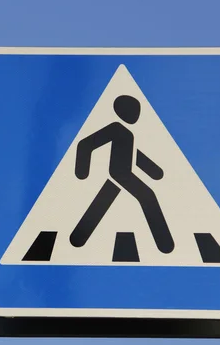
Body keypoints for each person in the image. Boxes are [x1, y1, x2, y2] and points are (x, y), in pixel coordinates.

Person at [70, 95, 174, 254]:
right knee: (148, 196)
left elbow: (134, 156)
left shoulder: (127, 133)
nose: (136, 115)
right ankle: (165, 244)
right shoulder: (115, 128)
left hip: (122, 174)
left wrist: (154, 172)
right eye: (134, 111)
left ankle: (77, 238)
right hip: (120, 174)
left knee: (101, 203)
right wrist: (82, 171)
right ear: (123, 112)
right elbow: (86, 144)